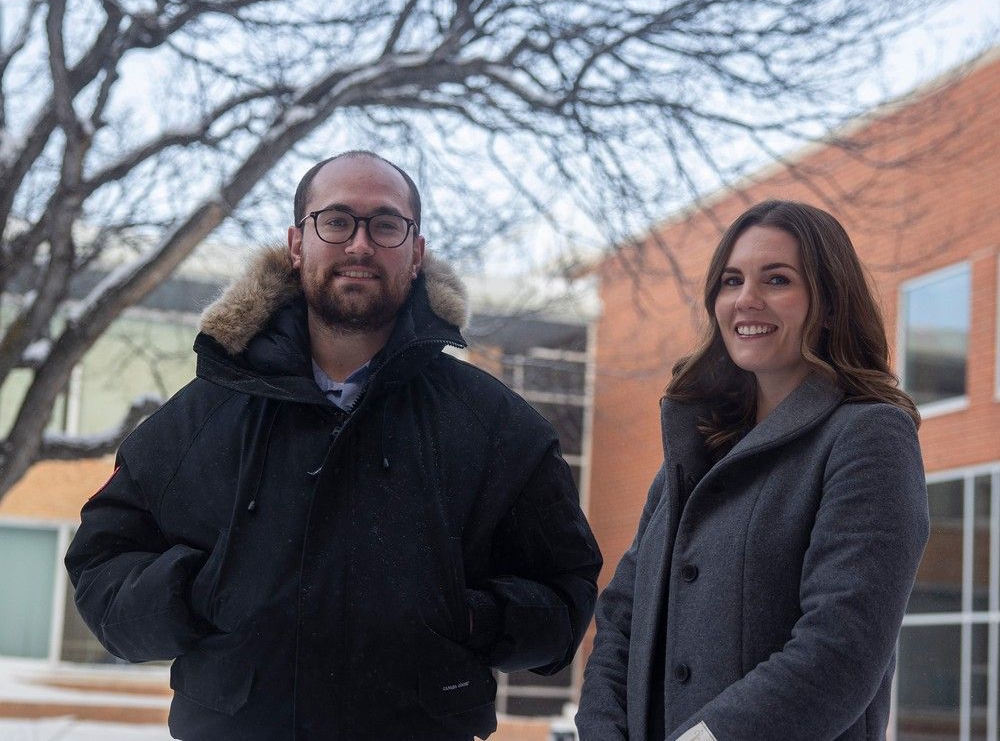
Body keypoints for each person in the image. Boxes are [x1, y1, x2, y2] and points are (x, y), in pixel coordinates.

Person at [65, 150, 602, 741]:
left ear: (416, 251)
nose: (360, 244)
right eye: (337, 220)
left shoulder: (496, 427)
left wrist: (470, 614)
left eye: (386, 224)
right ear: (297, 244)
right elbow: (100, 565)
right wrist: (198, 592)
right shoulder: (202, 417)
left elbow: (566, 590)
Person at [576, 200, 929, 741]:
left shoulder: (868, 437)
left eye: (778, 280)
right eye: (731, 280)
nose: (747, 299)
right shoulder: (698, 448)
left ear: (830, 304)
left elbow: (840, 648)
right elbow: (622, 617)